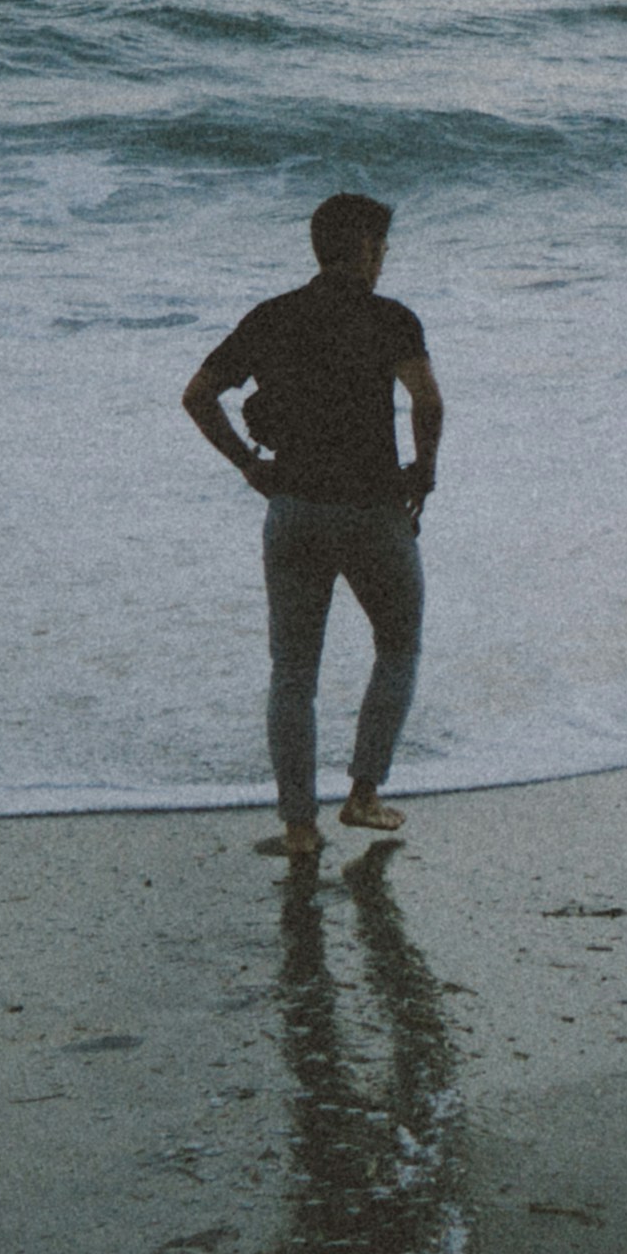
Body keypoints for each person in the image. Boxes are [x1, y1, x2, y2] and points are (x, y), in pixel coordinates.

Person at [180, 192, 446, 858]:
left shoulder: (272, 317)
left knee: (293, 672)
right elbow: (428, 401)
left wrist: (247, 463)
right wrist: (424, 470)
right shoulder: (392, 320)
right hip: (371, 509)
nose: (382, 260)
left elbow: (198, 395)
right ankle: (363, 795)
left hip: (293, 510)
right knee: (398, 643)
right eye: (380, 248)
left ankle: (300, 827)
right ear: (363, 250)